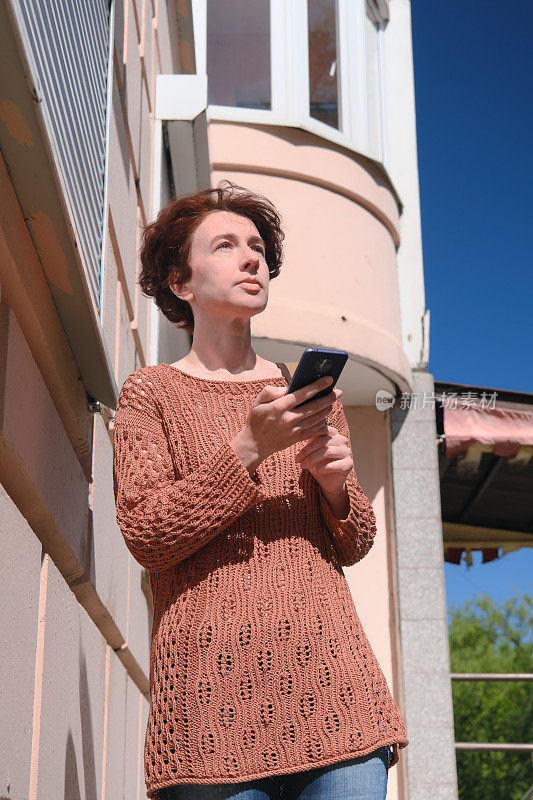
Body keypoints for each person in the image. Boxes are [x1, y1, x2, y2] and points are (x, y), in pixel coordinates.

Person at [112, 181, 408, 800]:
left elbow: (354, 542)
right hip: (209, 710)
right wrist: (248, 448)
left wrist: (333, 488)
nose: (252, 259)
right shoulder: (150, 395)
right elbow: (147, 532)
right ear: (181, 282)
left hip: (335, 696)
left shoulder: (305, 394)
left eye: (257, 247)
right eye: (225, 245)